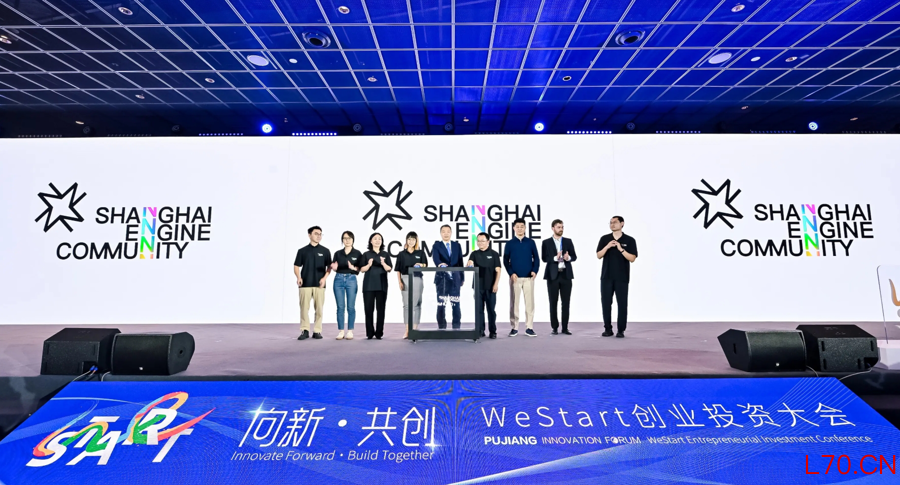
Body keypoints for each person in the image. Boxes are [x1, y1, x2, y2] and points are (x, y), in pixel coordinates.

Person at [596, 216, 638, 338]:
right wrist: (607, 246)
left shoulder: (629, 240)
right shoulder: (605, 239)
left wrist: (621, 249)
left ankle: (621, 330)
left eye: (615, 222)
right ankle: (607, 329)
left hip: (622, 277)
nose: (612, 224)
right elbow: (599, 255)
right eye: (610, 223)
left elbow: (632, 258)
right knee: (606, 303)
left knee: (622, 304)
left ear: (622, 223)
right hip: (606, 277)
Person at [293, 226, 331, 340]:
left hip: (320, 285)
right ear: (309, 235)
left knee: (319, 309)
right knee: (304, 309)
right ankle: (305, 330)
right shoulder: (302, 251)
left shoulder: (325, 251)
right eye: (316, 233)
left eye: (320, 234)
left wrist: (324, 278)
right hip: (305, 284)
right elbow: (296, 266)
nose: (319, 236)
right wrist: (298, 277)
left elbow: (329, 267)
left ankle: (317, 331)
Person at [503, 218, 540, 337]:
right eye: (517, 226)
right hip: (515, 278)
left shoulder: (530, 242)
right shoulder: (510, 243)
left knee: (530, 303)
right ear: (514, 228)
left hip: (529, 278)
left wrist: (535, 271)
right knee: (514, 303)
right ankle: (514, 327)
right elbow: (505, 260)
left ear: (525, 228)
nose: (520, 228)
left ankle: (529, 327)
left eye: (522, 226)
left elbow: (536, 258)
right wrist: (511, 273)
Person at [541, 219, 577, 335]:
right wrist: (555, 258)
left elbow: (574, 256)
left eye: (562, 227)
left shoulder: (568, 241)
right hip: (553, 276)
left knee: (566, 302)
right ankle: (555, 327)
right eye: (558, 227)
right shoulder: (546, 242)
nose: (561, 229)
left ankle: (565, 328)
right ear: (553, 228)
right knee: (553, 302)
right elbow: (544, 258)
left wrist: (568, 258)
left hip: (566, 275)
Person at [467, 232, 501, 339]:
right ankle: (480, 330)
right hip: (478, 286)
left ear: (488, 242)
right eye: (478, 241)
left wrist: (496, 284)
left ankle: (493, 331)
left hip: (490, 286)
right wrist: (469, 263)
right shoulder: (474, 254)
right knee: (479, 310)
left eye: (482, 241)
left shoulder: (494, 254)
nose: (480, 243)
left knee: (491, 310)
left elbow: (498, 270)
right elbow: (470, 262)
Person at [330, 231, 362, 340]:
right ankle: (341, 331)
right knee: (340, 307)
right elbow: (334, 266)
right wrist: (334, 268)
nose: (347, 240)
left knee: (351, 306)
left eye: (349, 238)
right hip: (338, 279)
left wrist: (353, 268)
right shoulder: (338, 253)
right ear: (342, 240)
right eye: (345, 238)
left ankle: (350, 331)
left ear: (353, 240)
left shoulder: (357, 253)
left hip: (351, 279)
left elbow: (359, 269)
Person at [360, 233, 392, 340]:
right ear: (371, 241)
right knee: (368, 310)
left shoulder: (385, 254)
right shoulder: (366, 254)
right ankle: (370, 332)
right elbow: (362, 269)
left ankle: (379, 333)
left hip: (381, 286)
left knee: (381, 310)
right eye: (375, 239)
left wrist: (383, 263)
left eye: (379, 239)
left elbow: (389, 269)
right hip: (368, 286)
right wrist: (369, 265)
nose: (378, 241)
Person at [395, 231, 427, 338]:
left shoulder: (420, 253)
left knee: (417, 304)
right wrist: (400, 282)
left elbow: (425, 265)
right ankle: (407, 330)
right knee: (406, 305)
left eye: (413, 239)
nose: (411, 241)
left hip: (417, 278)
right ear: (406, 240)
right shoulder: (401, 254)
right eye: (409, 239)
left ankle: (415, 328)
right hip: (405, 278)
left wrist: (421, 264)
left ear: (416, 241)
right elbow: (398, 270)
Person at [432, 224, 464, 329]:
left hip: (455, 278)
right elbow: (436, 259)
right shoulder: (437, 245)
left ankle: (456, 326)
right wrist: (440, 264)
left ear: (451, 233)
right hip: (442, 278)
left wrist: (462, 277)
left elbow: (460, 261)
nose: (446, 233)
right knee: (441, 304)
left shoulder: (456, 245)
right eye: (443, 231)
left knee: (456, 304)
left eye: (448, 231)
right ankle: (441, 327)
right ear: (440, 233)